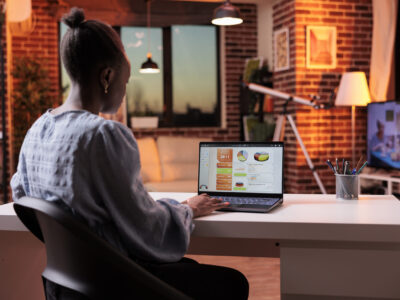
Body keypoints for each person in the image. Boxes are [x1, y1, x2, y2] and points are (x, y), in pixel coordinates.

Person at [10, 7, 249, 300]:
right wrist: (188, 208)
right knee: (232, 283)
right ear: (107, 75)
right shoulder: (103, 134)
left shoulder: (38, 128)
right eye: (126, 78)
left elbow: (22, 194)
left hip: (67, 285)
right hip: (117, 286)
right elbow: (148, 232)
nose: (125, 89)